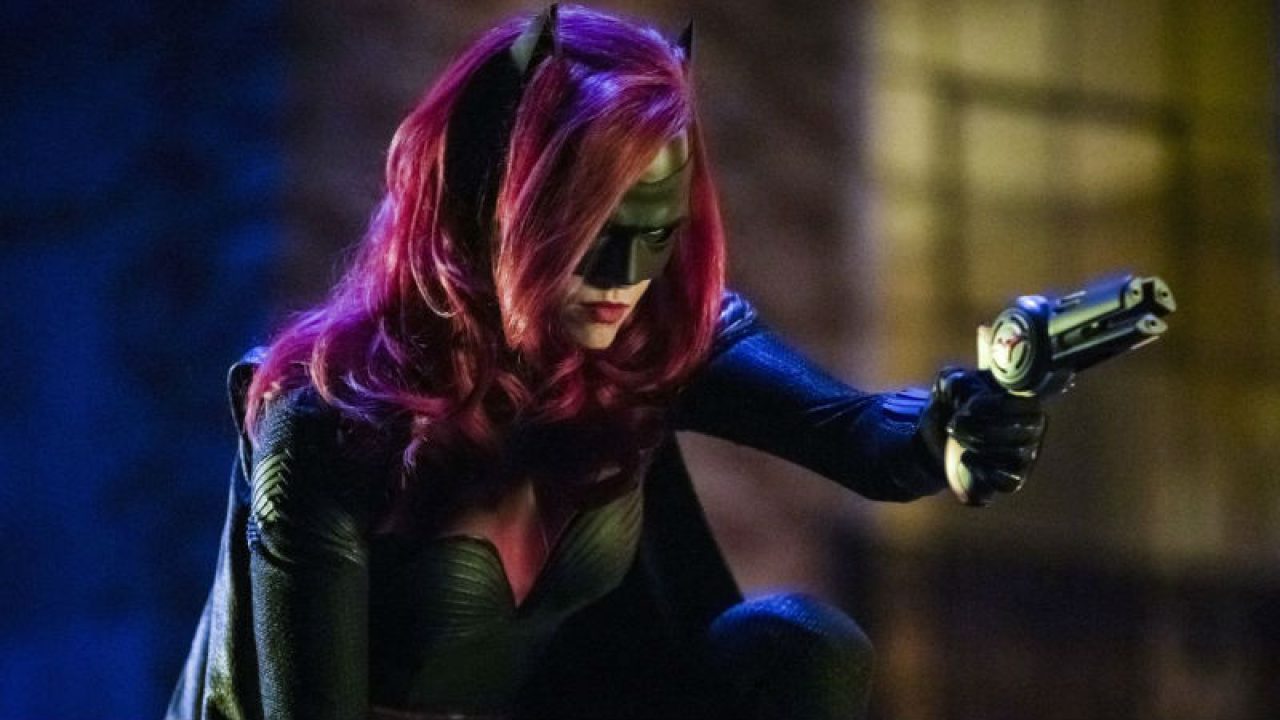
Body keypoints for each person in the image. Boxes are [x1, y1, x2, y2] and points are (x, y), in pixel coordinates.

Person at [167, 5, 1045, 719]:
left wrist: (959, 425)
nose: (625, 277)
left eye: (652, 234)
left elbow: (866, 437)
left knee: (798, 649)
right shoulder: (328, 417)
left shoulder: (649, 342)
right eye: (592, 230)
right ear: (495, 209)